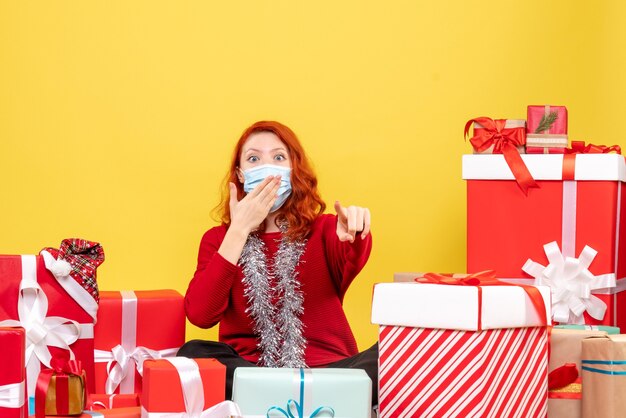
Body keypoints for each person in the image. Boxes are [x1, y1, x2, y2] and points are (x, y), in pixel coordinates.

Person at [178, 120, 377, 404]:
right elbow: (200, 315)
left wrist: (356, 232)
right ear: (241, 174)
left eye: (278, 157)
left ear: (293, 170)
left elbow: (353, 254)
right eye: (254, 158)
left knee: (398, 353)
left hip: (330, 371)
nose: (267, 167)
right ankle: (303, 399)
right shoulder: (218, 238)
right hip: (253, 374)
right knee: (192, 354)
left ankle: (290, 396)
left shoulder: (324, 229)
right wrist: (238, 230)